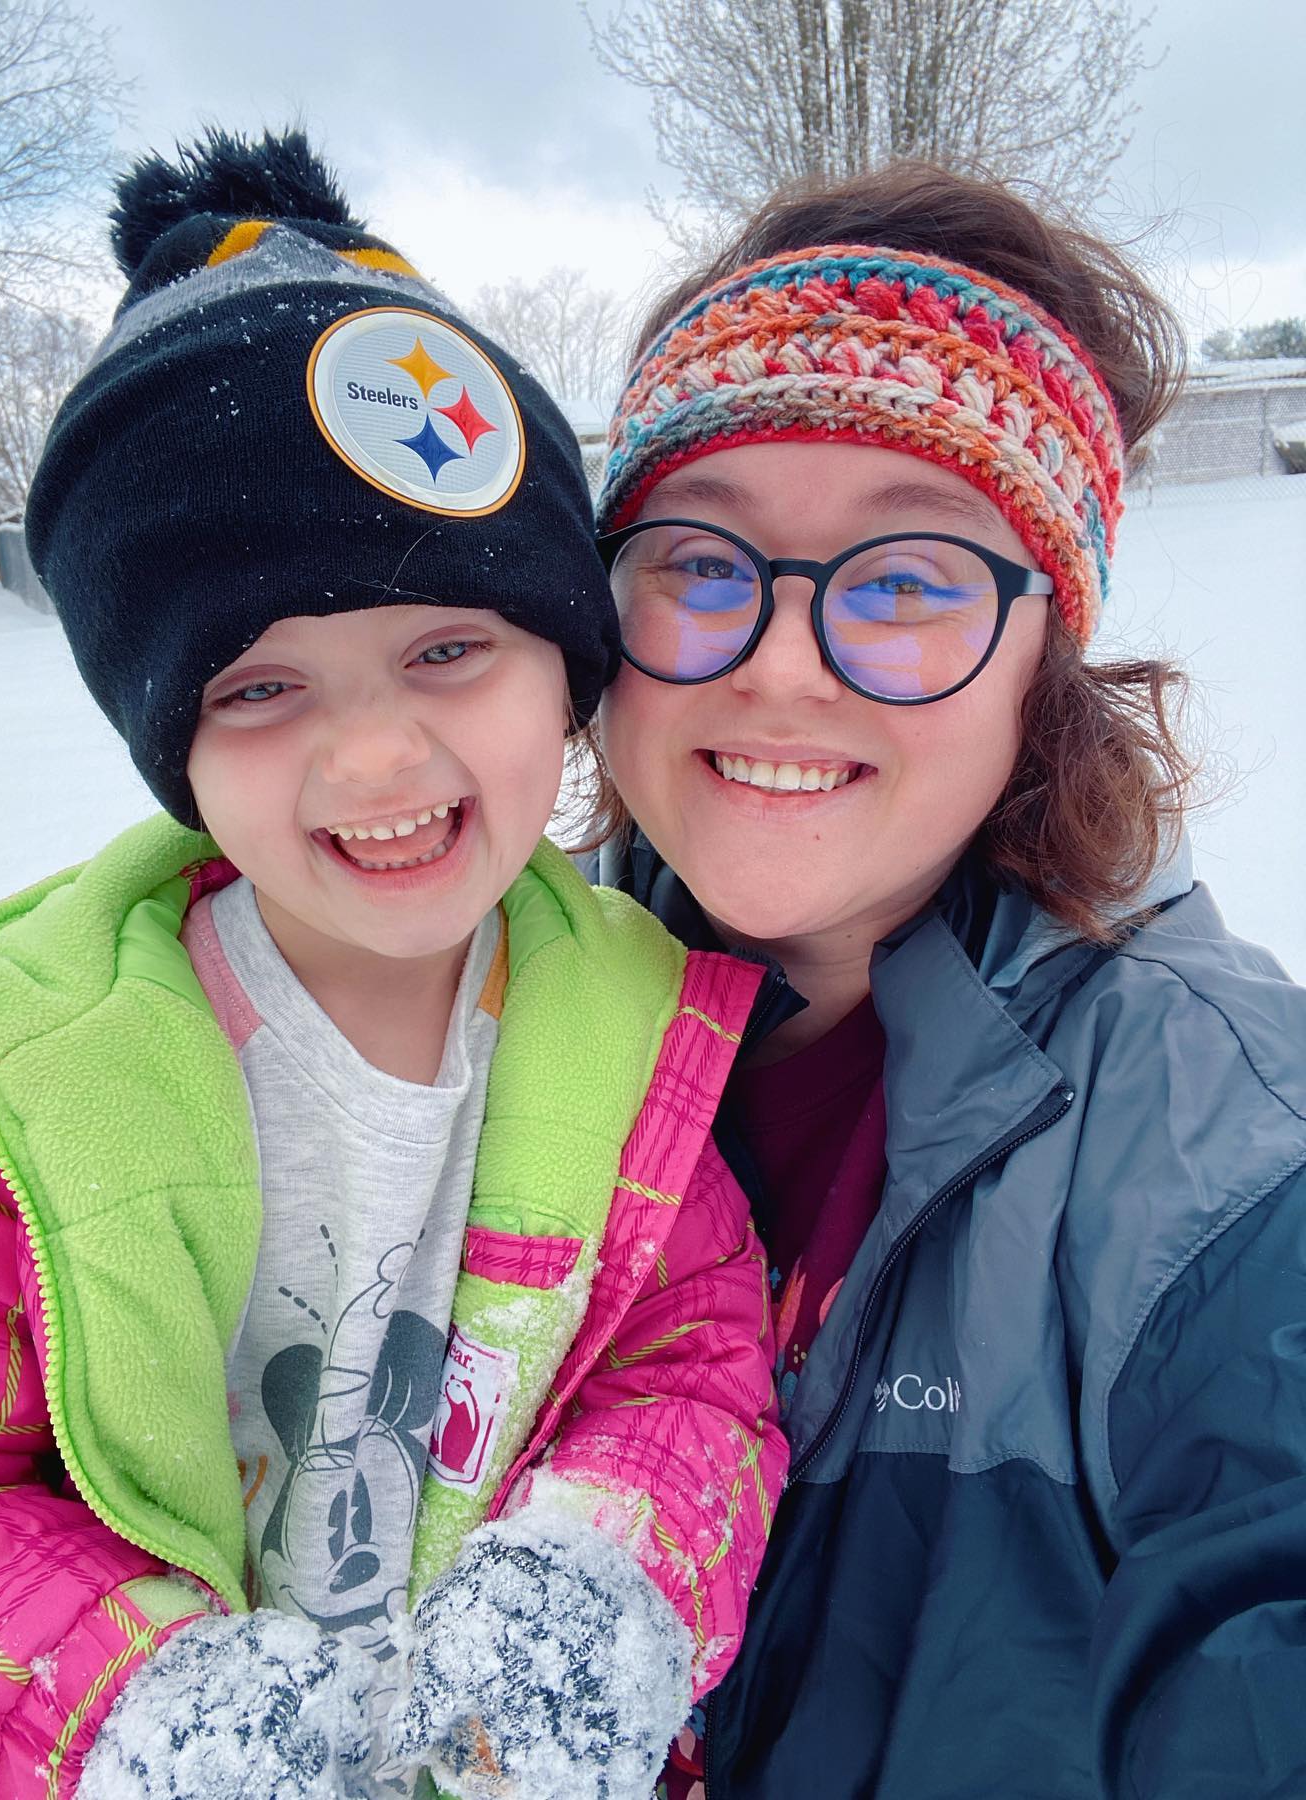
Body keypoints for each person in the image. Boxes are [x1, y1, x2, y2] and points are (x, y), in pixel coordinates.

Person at [0, 131, 786, 1800]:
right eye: (262, 690)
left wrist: (605, 1576)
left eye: (448, 649)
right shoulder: (20, 1105)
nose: (377, 762)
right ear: (175, 748)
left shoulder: (633, 1042)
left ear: (563, 670)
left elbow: (692, 1365)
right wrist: (134, 1716)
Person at [587, 162, 1306, 1799]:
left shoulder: (1231, 1154)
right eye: (700, 561)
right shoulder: (437, 1020)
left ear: (1042, 663)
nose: (775, 660)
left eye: (906, 581)